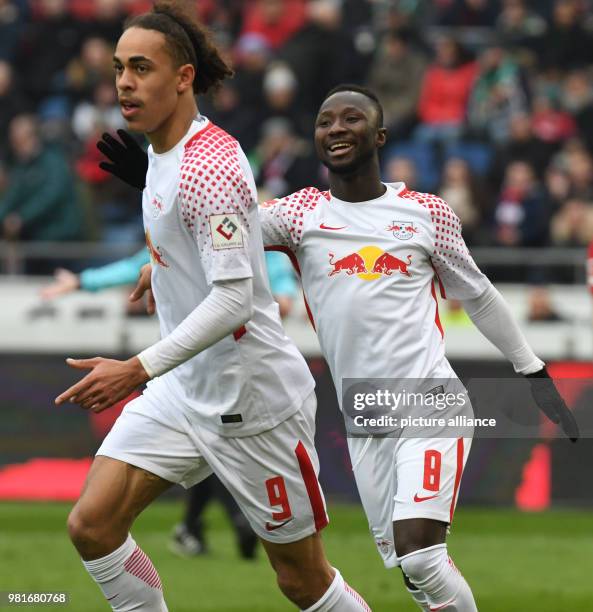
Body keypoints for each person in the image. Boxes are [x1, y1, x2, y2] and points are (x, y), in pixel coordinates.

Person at [104, 83, 579, 611]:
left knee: (422, 557)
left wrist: (532, 370)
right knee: (413, 575)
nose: (336, 129)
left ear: (378, 135)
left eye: (350, 119)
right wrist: (152, 191)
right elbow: (217, 231)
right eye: (326, 121)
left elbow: (480, 296)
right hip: (366, 417)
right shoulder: (300, 214)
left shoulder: (426, 213)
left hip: (429, 402)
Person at [56, 4, 371, 612]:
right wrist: (166, 265)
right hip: (185, 390)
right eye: (120, 67)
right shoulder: (160, 155)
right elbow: (203, 241)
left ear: (183, 77)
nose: (124, 80)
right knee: (92, 526)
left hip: (250, 402)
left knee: (302, 582)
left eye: (142, 67)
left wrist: (134, 369)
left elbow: (233, 299)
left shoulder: (211, 165)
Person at [41, 248, 299, 561]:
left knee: (299, 570)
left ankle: (198, 525)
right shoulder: (173, 222)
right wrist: (84, 281)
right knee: (92, 523)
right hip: (189, 375)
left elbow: (282, 301)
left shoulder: (258, 250)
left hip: (248, 378)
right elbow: (136, 266)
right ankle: (223, 521)